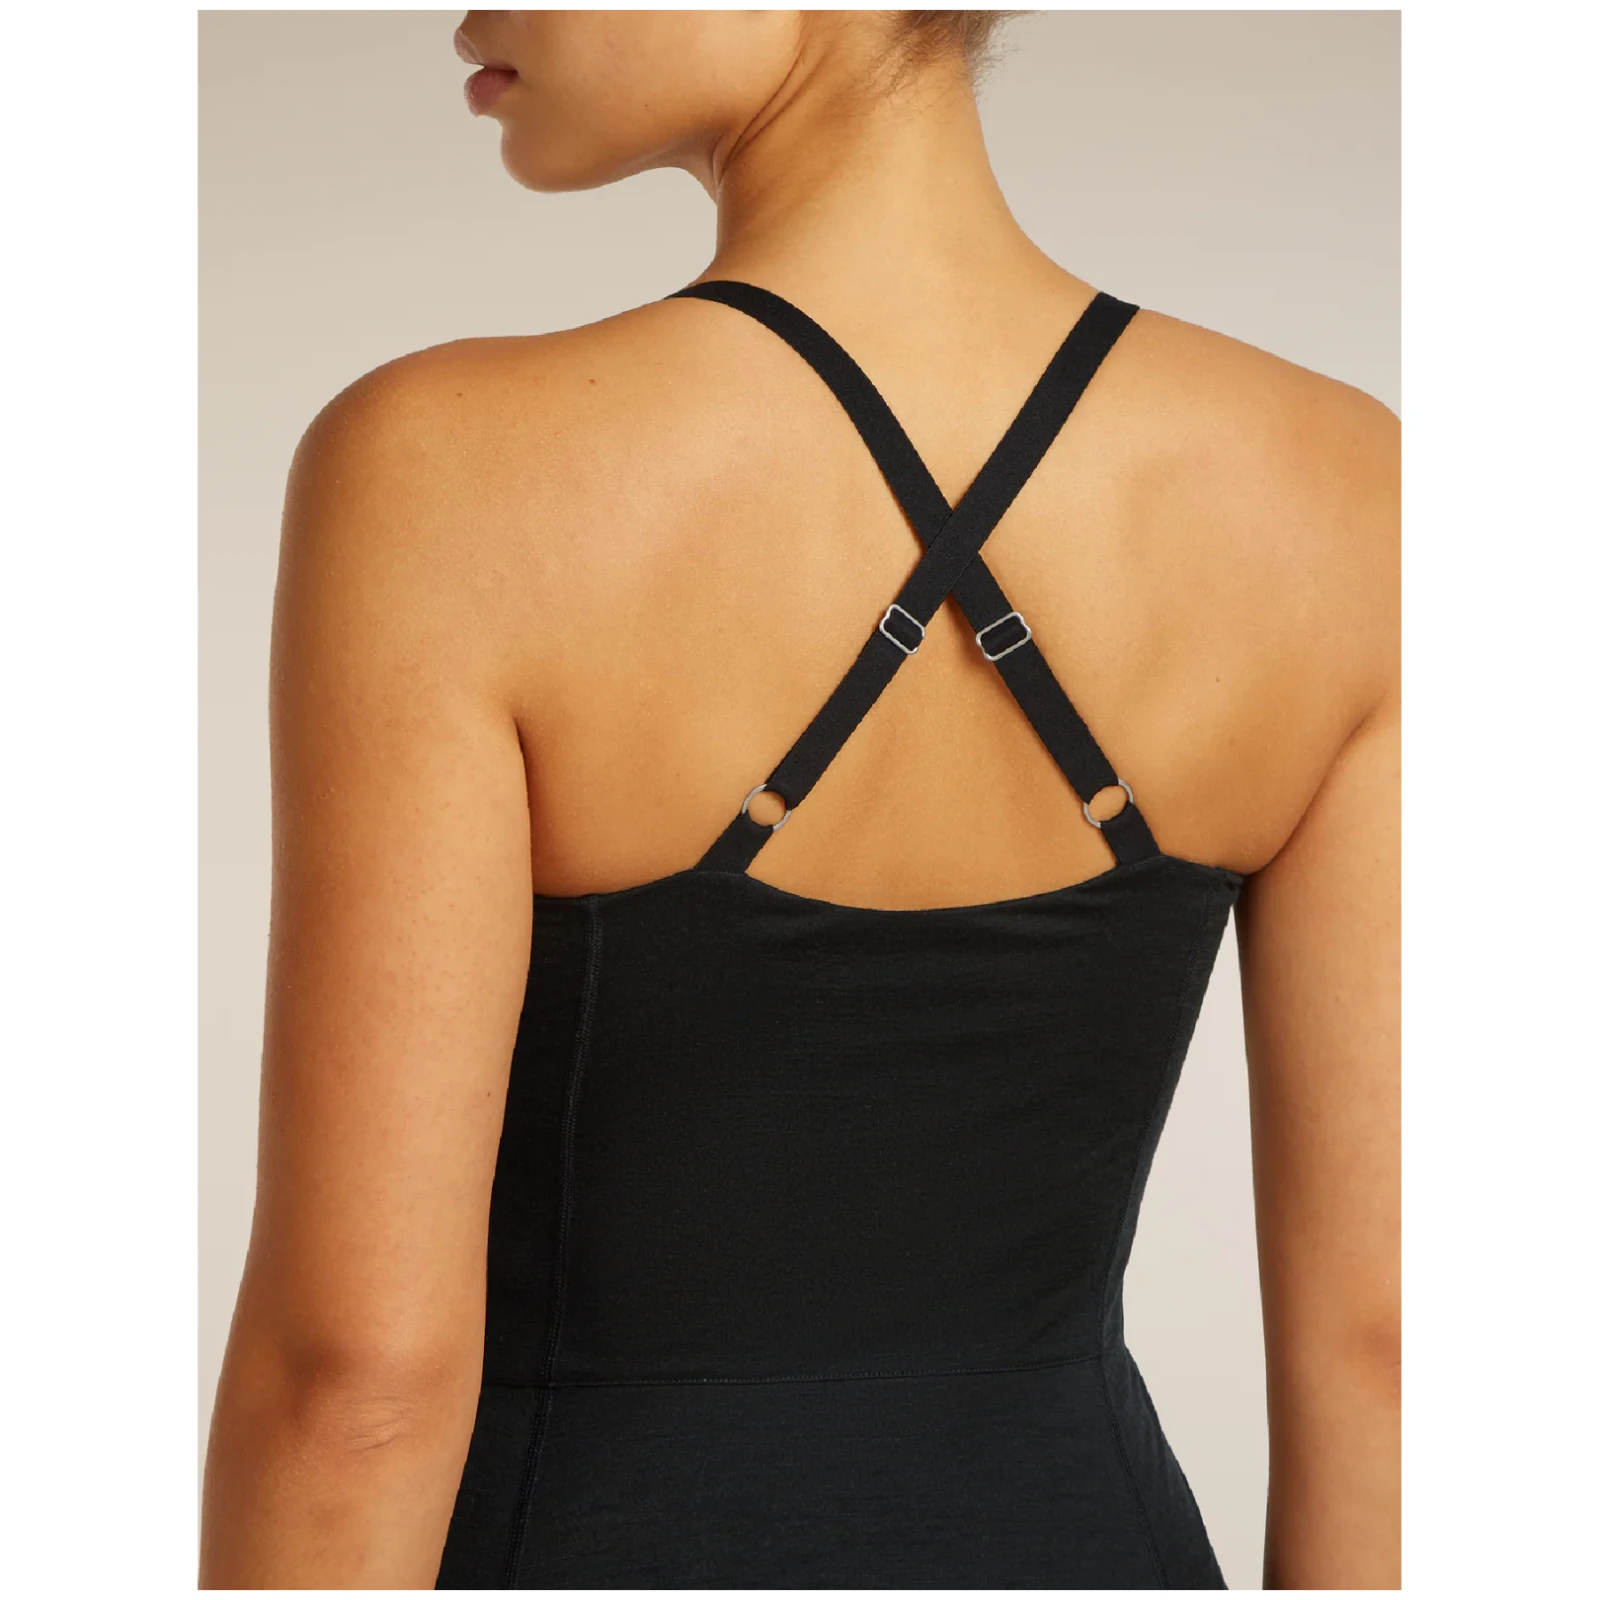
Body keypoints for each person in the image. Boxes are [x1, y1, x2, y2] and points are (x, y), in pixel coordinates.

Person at [200, 10, 1399, 1590]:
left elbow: (354, 1388)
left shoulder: (443, 470)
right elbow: (1390, 1357)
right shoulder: (1351, 490)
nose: (467, 11)